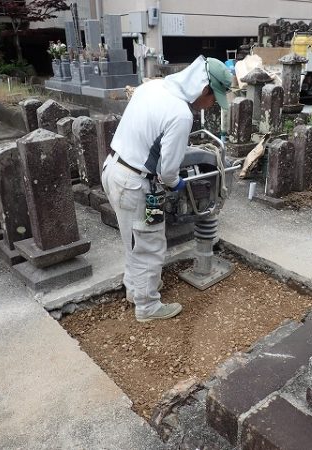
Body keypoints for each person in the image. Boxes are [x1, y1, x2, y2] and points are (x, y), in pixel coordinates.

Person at [101, 55, 232, 323]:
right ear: (204, 89)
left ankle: (136, 289)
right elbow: (168, 172)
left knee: (133, 238)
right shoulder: (181, 114)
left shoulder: (153, 86)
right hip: (136, 184)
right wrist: (179, 185)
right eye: (213, 99)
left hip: (114, 169)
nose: (211, 105)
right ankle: (147, 307)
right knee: (150, 243)